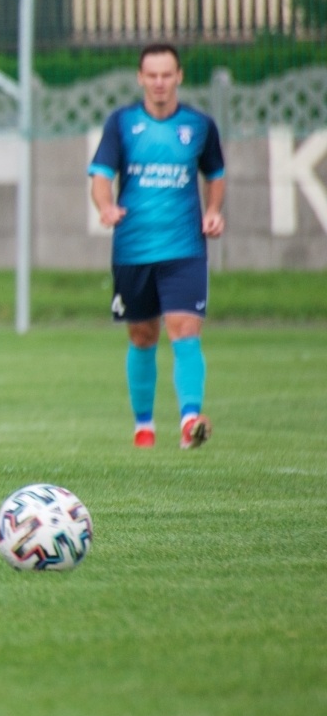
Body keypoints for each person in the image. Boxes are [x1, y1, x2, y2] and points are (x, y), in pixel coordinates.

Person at [89, 43, 225, 450]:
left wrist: (214, 209)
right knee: (143, 336)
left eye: (167, 74)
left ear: (179, 76)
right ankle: (144, 427)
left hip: (184, 247)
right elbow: (100, 173)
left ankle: (189, 421)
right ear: (141, 78)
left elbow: (215, 172)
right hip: (133, 248)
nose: (160, 82)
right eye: (152, 75)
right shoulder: (122, 123)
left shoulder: (199, 126)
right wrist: (106, 205)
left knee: (184, 329)